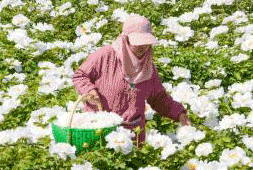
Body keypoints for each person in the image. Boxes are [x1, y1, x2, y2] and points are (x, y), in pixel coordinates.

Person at [73, 13, 191, 145]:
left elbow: (158, 98)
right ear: (125, 39)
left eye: (146, 42)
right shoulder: (105, 55)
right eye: (138, 42)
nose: (142, 46)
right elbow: (80, 76)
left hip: (133, 136)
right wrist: (89, 90)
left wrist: (179, 113)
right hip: (100, 131)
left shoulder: (147, 66)